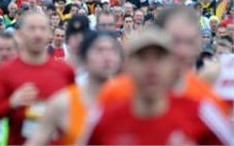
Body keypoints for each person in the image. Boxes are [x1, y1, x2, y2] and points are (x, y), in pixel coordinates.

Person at [86, 27, 230, 145]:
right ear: (127, 66)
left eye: (159, 57)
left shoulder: (202, 113)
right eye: (142, 58)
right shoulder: (103, 118)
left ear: (172, 66)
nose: (151, 67)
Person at [99, 6, 228, 112]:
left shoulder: (207, 101)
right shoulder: (116, 94)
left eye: (190, 42)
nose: (182, 51)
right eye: (175, 41)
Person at [0, 12, 75, 145]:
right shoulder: (6, 71)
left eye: (42, 29)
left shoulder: (65, 71)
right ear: (21, 34)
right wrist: (11, 103)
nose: (37, 34)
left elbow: (77, 115)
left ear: (50, 34)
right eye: (31, 28)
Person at [26, 30, 122, 146]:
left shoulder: (130, 100)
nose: (107, 57)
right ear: (84, 57)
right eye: (99, 50)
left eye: (112, 51)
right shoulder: (62, 103)